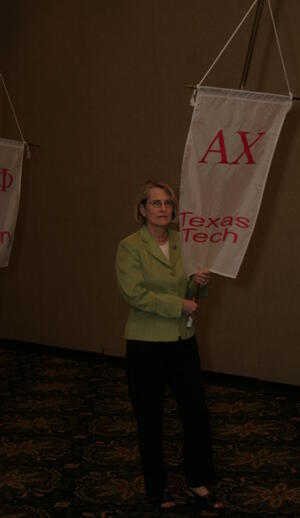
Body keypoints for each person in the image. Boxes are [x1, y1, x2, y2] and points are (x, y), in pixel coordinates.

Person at [115, 180, 224, 511]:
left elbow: (192, 291)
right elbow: (134, 294)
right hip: (146, 345)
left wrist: (200, 283)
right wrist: (178, 304)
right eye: (156, 203)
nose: (163, 209)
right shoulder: (129, 246)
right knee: (150, 419)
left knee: (196, 415)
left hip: (182, 342)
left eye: (168, 204)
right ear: (142, 209)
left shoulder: (184, 242)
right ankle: (157, 489)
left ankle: (197, 482)